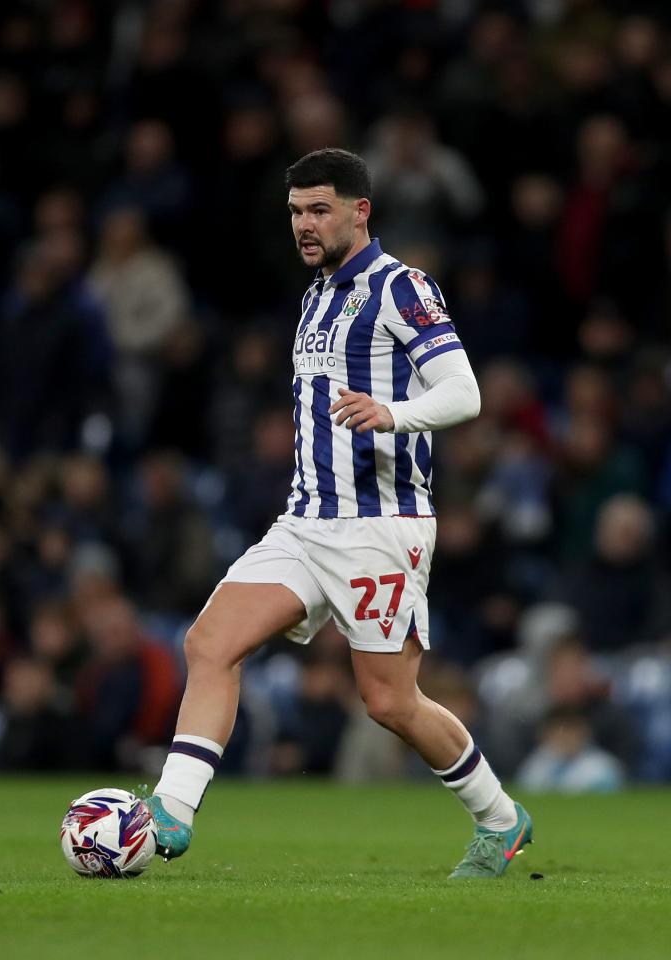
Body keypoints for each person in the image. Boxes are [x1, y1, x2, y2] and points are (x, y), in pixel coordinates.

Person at [145, 149, 532, 879]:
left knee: (389, 702)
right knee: (209, 643)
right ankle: (171, 810)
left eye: (319, 209)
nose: (304, 225)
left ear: (361, 210)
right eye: (295, 212)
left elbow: (465, 392)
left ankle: (501, 817)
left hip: (382, 525)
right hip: (306, 520)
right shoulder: (316, 296)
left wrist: (392, 413)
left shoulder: (402, 288)